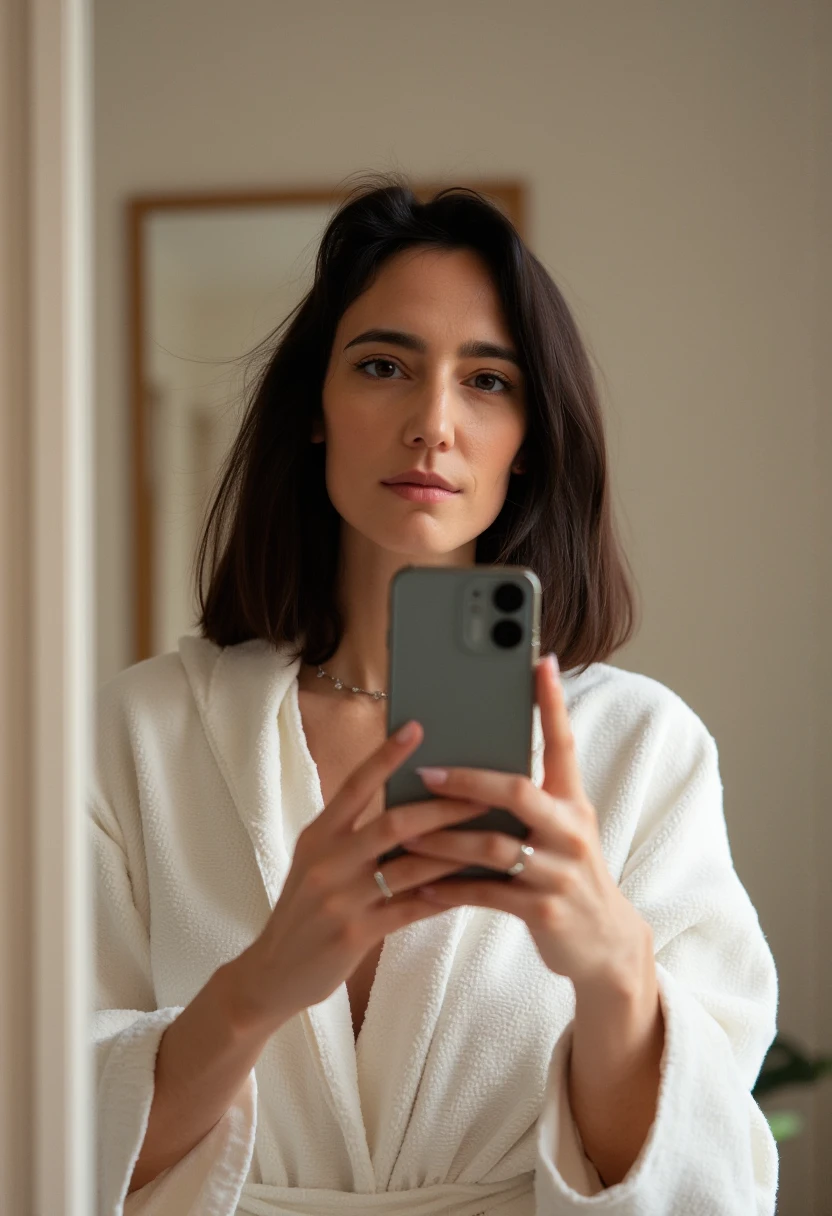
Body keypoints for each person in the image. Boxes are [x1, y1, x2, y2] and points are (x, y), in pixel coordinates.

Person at [91, 175, 778, 1216]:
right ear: (314, 413)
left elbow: (711, 1183)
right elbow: (39, 1128)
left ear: (530, 439)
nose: (432, 422)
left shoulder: (643, 749)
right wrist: (258, 984)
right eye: (382, 366)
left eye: (488, 382)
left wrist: (613, 972)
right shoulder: (135, 735)